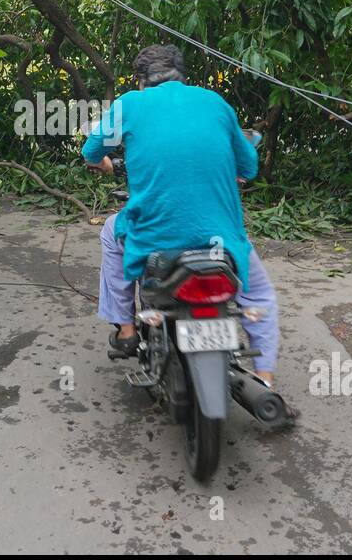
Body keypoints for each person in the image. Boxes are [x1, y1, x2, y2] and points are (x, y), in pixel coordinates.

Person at [82, 44, 280, 385]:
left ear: (141, 81)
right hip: (220, 239)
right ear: (182, 76)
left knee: (111, 233)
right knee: (258, 295)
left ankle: (127, 329)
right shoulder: (214, 102)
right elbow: (248, 166)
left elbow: (90, 151)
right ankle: (265, 379)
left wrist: (102, 164)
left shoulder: (129, 104)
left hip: (153, 238)